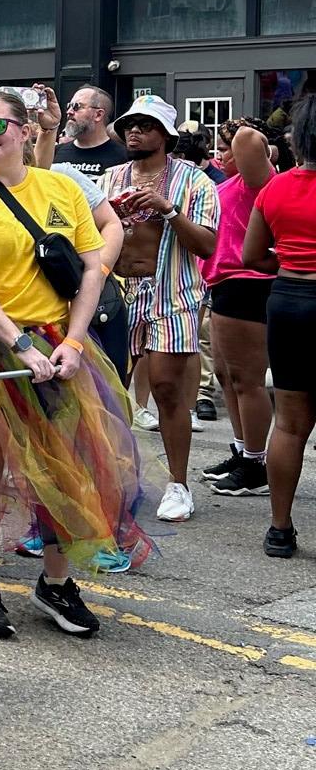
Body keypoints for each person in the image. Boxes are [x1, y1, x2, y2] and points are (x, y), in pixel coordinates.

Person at [0, 87, 148, 640]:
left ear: (24, 130)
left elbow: (93, 267)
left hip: (51, 340)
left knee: (61, 461)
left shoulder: (60, 188)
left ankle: (56, 583)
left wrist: (71, 340)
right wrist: (20, 343)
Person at [102, 96, 219, 524]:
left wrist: (167, 209)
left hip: (173, 294)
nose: (135, 131)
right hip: (117, 294)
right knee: (110, 391)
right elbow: (91, 236)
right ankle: (112, 479)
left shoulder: (195, 182)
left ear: (166, 136)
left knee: (168, 389)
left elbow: (207, 246)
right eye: (130, 124)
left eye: (146, 125)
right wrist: (112, 216)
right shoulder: (109, 179)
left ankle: (178, 483)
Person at [243, 94, 316, 557]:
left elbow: (251, 256)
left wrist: (289, 260)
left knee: (289, 423)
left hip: (289, 302)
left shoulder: (275, 189)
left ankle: (280, 529)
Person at [199, 120, 275, 501]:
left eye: (226, 147)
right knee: (227, 377)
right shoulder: (226, 184)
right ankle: (242, 451)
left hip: (247, 284)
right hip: (222, 285)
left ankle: (256, 465)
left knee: (247, 380)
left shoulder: (257, 181)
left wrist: (247, 132)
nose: (221, 153)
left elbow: (248, 141)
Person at [53, 87, 129, 180]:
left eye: (77, 106)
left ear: (98, 115)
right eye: (69, 106)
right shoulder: (56, 152)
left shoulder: (123, 157)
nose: (69, 112)